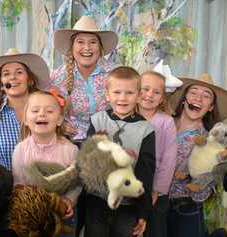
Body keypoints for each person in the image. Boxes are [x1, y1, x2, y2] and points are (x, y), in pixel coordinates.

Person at [85, 66, 156, 237]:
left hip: (128, 206)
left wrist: (143, 213)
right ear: (107, 94)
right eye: (117, 92)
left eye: (129, 93)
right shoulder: (97, 120)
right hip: (97, 202)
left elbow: (146, 172)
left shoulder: (146, 129)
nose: (122, 98)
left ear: (139, 96)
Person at [167, 73, 227, 237]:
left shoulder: (211, 142)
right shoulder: (163, 122)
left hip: (186, 207)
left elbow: (203, 192)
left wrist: (209, 176)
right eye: (194, 92)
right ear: (184, 99)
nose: (198, 98)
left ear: (211, 106)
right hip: (155, 205)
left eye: (206, 96)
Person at [11, 90, 80, 231]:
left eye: (49, 111)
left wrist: (69, 201)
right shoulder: (20, 150)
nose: (41, 114)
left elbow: (77, 184)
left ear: (60, 119)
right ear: (25, 119)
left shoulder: (71, 150)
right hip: (32, 217)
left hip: (62, 214)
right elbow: (18, 183)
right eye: (35, 110)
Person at [0, 48, 50, 170]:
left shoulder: (47, 112)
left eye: (19, 72)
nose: (13, 77)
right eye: (6, 74)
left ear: (30, 80)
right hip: (1, 186)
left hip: (42, 186)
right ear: (1, 85)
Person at [50, 15, 118, 144]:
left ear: (100, 48)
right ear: (72, 47)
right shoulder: (57, 77)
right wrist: (59, 124)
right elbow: (46, 109)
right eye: (80, 42)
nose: (87, 48)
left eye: (93, 42)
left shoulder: (115, 74)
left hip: (110, 142)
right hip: (72, 142)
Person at [137, 61, 182, 237]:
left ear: (163, 98)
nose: (149, 95)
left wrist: (156, 189)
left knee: (156, 229)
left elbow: (169, 159)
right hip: (131, 188)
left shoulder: (166, 122)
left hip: (156, 190)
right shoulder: (127, 117)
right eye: (145, 89)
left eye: (156, 92)